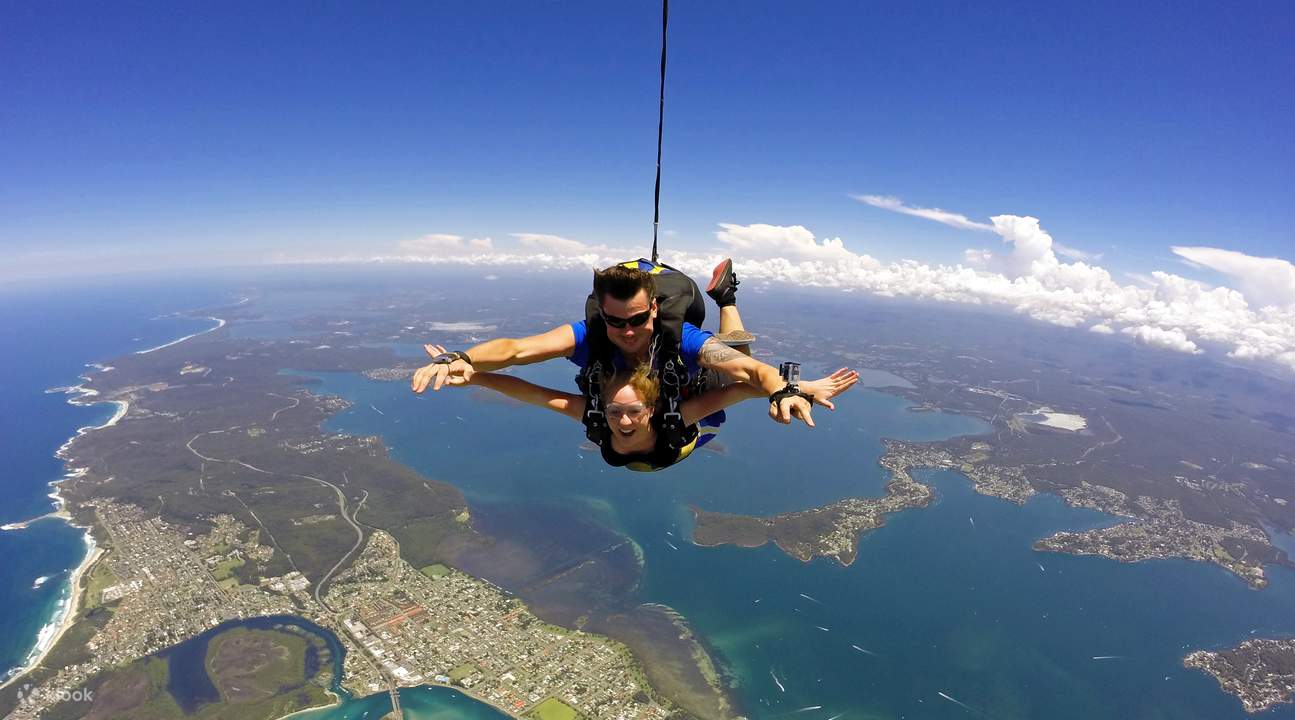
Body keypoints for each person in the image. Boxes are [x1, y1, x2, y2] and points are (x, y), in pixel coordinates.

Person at [412, 259, 818, 429]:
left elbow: (751, 370)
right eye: (615, 321)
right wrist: (461, 358)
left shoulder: (682, 337)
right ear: (601, 314)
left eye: (638, 319)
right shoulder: (587, 336)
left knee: (739, 365)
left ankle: (726, 297)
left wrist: (782, 389)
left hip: (693, 383)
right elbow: (515, 350)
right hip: (665, 396)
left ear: (654, 310)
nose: (627, 331)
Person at [426, 343, 859, 471]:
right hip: (681, 438)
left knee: (734, 362)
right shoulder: (605, 416)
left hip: (687, 426)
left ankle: (726, 297)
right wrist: (473, 373)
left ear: (650, 410)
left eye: (631, 412)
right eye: (616, 412)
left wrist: (794, 388)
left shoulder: (668, 417)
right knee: (729, 376)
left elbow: (743, 389)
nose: (623, 420)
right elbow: (530, 392)